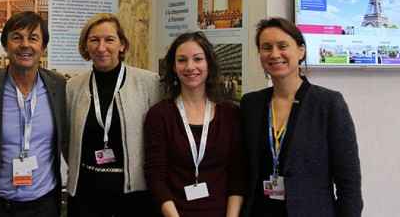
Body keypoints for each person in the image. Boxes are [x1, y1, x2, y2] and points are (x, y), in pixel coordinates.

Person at [239, 17, 363, 217]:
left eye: (282, 46)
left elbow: (348, 180)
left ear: (301, 51)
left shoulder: (328, 103)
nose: (274, 54)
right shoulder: (250, 104)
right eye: (266, 47)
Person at [0, 11, 68, 217]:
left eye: (33, 38)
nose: (25, 44)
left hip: (44, 205)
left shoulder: (58, 85)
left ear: (43, 47)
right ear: (5, 45)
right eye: (17, 37)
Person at [66, 13, 163, 216]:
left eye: (109, 39)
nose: (101, 47)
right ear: (85, 46)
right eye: (94, 40)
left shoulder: (148, 83)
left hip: (134, 196)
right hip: (86, 193)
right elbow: (67, 139)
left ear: (122, 44)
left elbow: (160, 139)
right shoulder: (73, 87)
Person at [144, 31, 247, 217]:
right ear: (174, 67)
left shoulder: (230, 113)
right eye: (182, 60)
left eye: (198, 59)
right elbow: (155, 176)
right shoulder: (159, 115)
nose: (190, 67)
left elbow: (237, 173)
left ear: (209, 64)